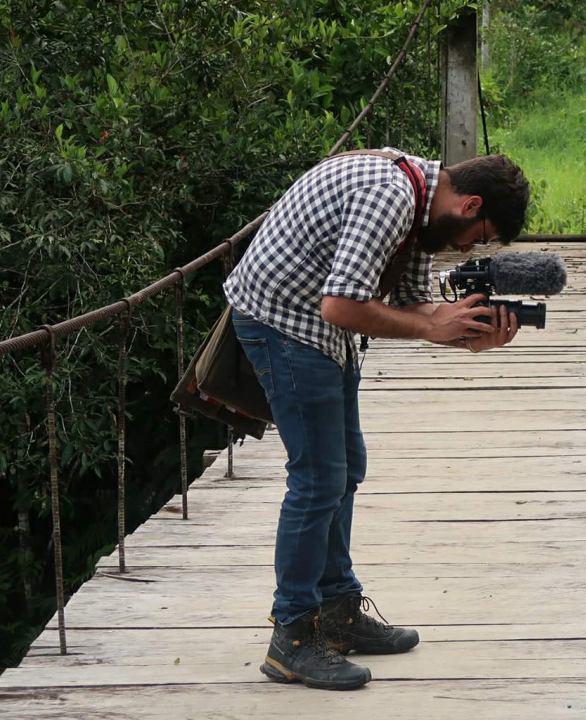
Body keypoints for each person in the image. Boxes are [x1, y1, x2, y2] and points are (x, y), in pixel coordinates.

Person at [222, 149, 530, 690]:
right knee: (317, 478)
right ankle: (291, 638)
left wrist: (468, 333)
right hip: (282, 323)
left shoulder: (421, 205)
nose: (467, 248)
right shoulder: (390, 197)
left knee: (346, 468)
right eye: (476, 236)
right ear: (469, 204)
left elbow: (413, 307)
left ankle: (337, 612)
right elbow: (341, 306)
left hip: (319, 327)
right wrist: (435, 329)